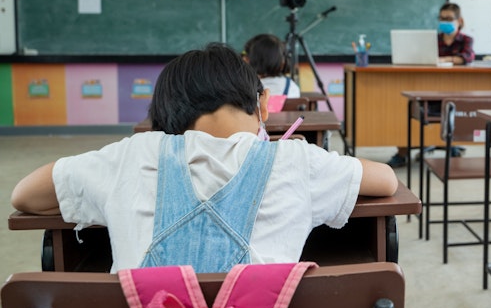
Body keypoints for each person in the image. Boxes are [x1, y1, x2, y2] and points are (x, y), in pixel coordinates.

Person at [10, 43, 398, 273]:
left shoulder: (133, 155)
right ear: (262, 103)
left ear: (161, 116)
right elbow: (386, 181)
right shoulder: (298, 161)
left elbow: (25, 196)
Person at [386, 3, 475, 168]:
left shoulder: (466, 40)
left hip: (455, 89)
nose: (444, 22)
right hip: (426, 85)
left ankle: (449, 143)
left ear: (460, 21)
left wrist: (445, 59)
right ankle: (402, 152)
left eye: (449, 19)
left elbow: (467, 57)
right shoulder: (432, 40)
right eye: (441, 18)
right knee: (404, 106)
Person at [242, 33, 300, 99]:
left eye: (246, 55)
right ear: (282, 62)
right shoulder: (292, 87)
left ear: (249, 60)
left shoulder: (248, 89)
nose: (244, 58)